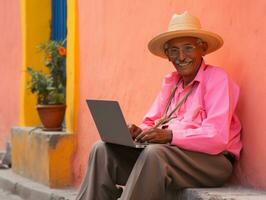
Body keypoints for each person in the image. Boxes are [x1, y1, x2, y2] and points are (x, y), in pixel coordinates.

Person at [76, 11, 242, 200]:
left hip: (213, 162)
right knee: (102, 149)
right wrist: (138, 132)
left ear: (202, 49)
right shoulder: (171, 83)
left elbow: (217, 138)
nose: (181, 56)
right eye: (173, 50)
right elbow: (151, 122)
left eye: (188, 48)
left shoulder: (217, 79)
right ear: (167, 55)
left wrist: (170, 136)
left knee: (155, 154)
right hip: (170, 157)